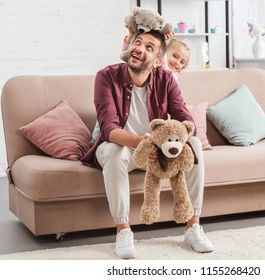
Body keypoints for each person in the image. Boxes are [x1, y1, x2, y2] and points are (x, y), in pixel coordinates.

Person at [81, 29, 213, 259]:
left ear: (158, 61)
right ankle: (123, 229)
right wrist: (143, 144)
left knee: (192, 143)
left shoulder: (166, 80)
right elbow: (109, 128)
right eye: (138, 42)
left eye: (149, 47)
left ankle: (193, 226)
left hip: (157, 150)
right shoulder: (106, 76)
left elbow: (185, 118)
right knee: (113, 151)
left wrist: (173, 140)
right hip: (121, 147)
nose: (140, 49)